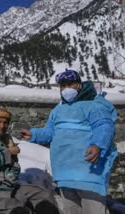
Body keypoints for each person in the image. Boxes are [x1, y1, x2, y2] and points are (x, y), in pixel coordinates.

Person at [21, 69, 118, 214]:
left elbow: (104, 126)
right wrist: (34, 134)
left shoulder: (94, 105)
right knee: (71, 210)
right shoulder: (58, 110)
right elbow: (50, 132)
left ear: (79, 85)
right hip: (64, 171)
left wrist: (97, 145)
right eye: (62, 85)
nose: (66, 88)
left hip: (88, 171)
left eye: (70, 84)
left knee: (94, 210)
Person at [0, 107, 59, 214]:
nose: (2, 126)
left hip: (10, 187)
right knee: (21, 210)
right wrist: (9, 153)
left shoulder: (7, 140)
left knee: (45, 196)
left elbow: (13, 167)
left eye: (5, 123)